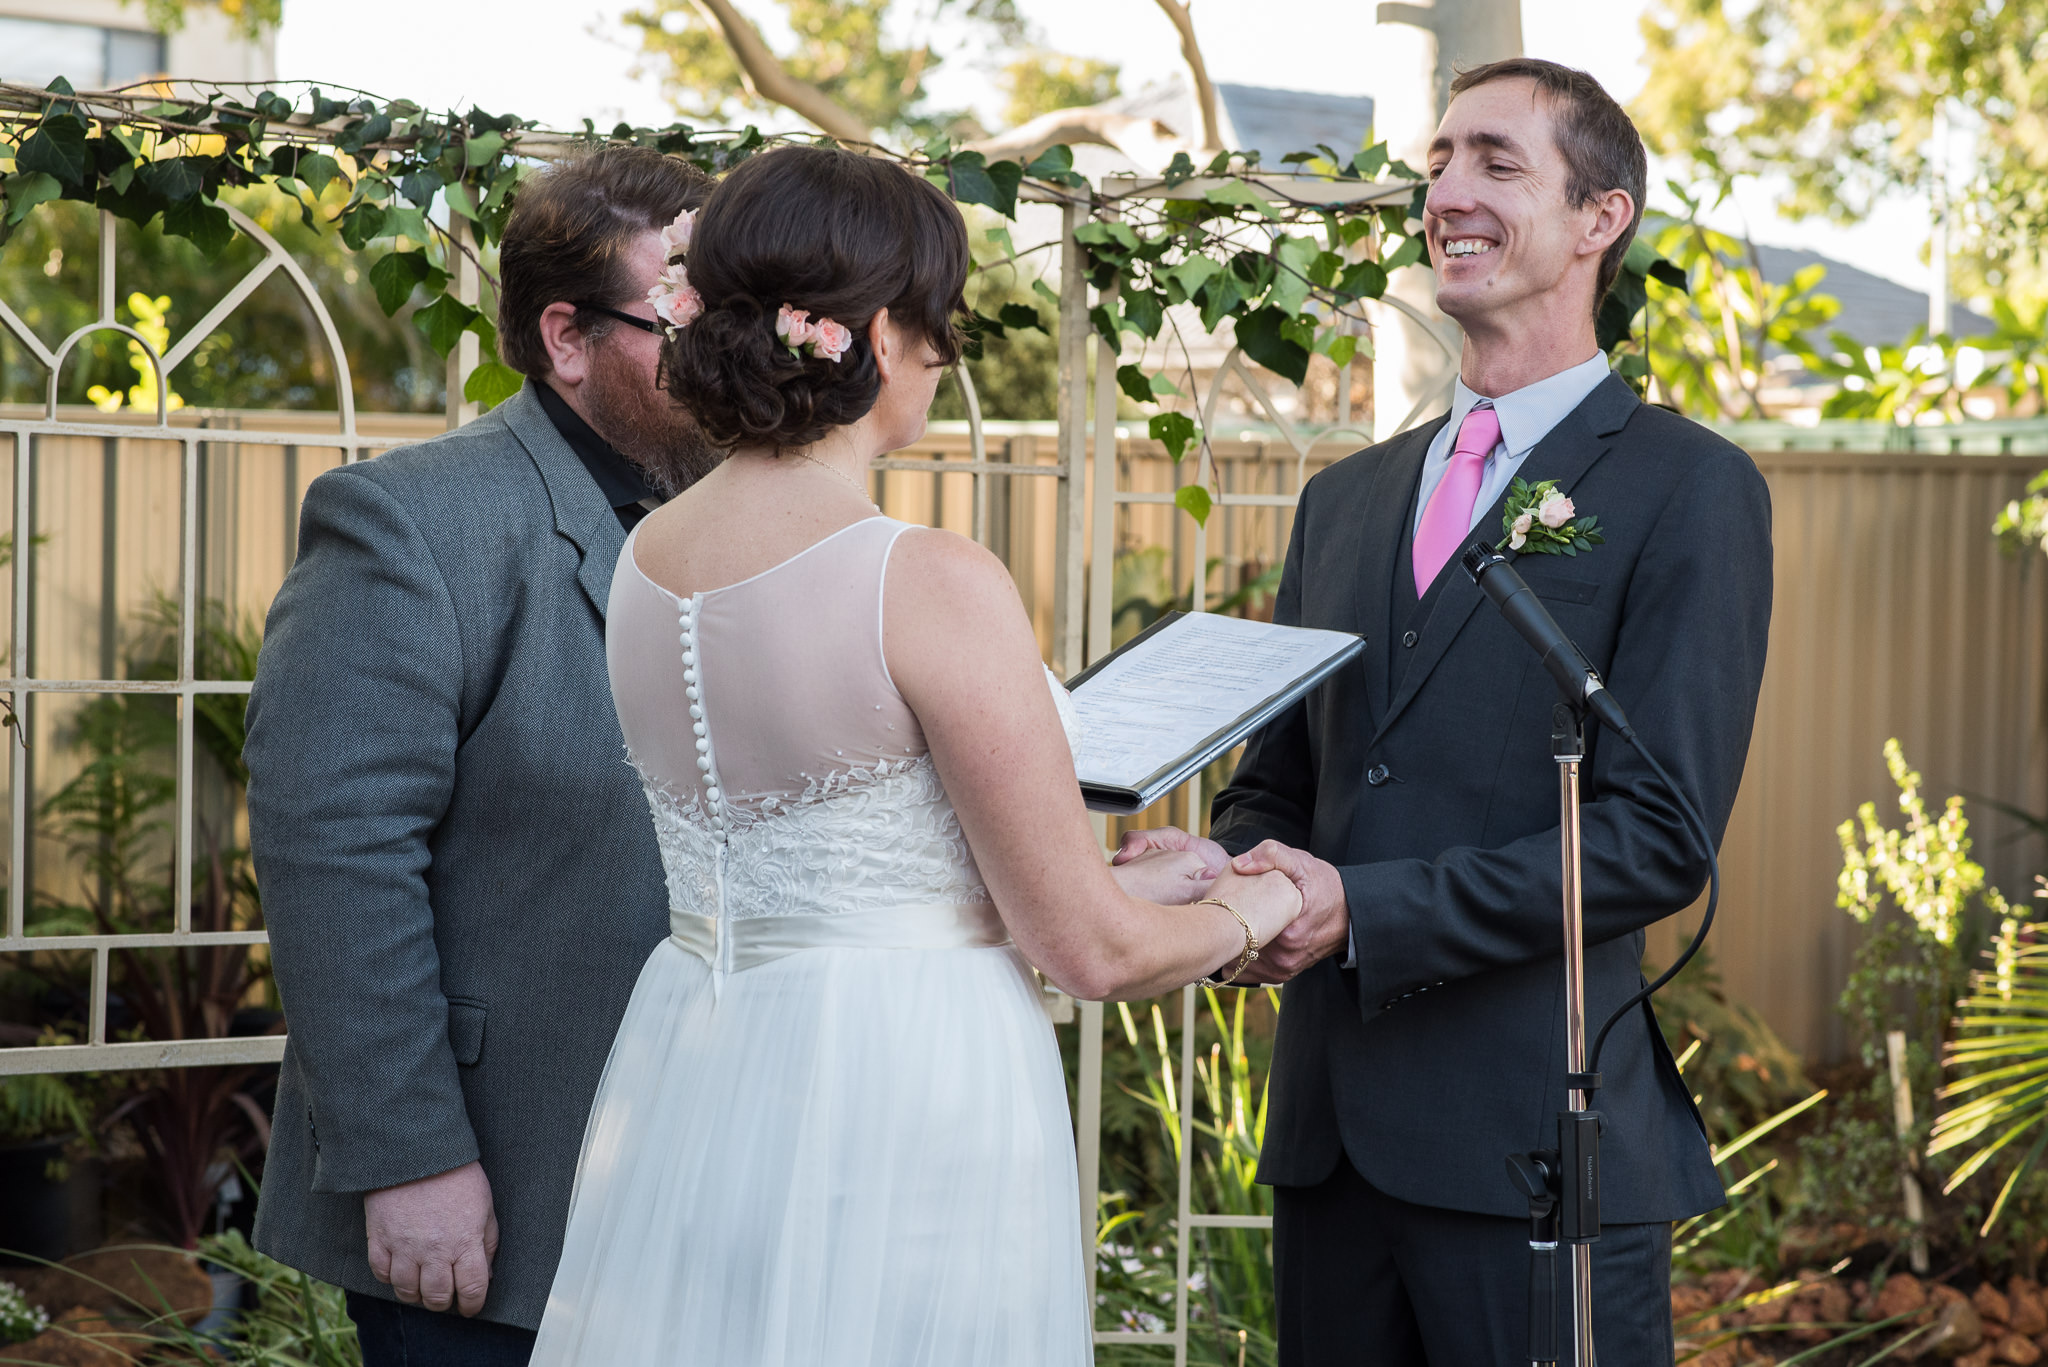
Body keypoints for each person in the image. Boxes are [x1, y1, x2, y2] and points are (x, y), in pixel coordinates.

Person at [526, 143, 1302, 1366]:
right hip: (900, 1089)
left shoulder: (645, 561)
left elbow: (844, 868)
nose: (943, 356)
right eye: (939, 323)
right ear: (878, 335)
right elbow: (1088, 953)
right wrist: (1256, 907)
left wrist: (1142, 878)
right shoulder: (922, 577)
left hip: (699, 1064)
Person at [1118, 59, 1773, 1364]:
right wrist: (1231, 869)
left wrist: (1362, 909)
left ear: (1603, 217)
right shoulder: (1347, 498)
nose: (1447, 192)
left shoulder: (1689, 488)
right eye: (1437, 162)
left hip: (1537, 1142)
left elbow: (1657, 836)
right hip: (1330, 1142)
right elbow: (1281, 778)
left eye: (1495, 162)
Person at [245, 145, 724, 1367]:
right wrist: (411, 1156)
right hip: (487, 1199)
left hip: (711, 1184)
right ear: (565, 336)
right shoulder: (409, 523)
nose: (722, 354)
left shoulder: (750, 532)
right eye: (681, 316)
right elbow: (334, 854)